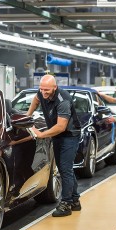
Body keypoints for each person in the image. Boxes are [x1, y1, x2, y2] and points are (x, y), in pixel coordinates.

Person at [26, 74, 81, 217]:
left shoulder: (63, 100)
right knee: (64, 169)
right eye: (41, 89)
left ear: (55, 88)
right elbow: (36, 99)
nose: (43, 92)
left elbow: (61, 126)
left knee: (65, 168)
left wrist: (41, 134)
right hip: (57, 136)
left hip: (70, 135)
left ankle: (66, 204)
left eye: (47, 90)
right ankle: (75, 200)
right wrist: (28, 116)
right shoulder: (41, 92)